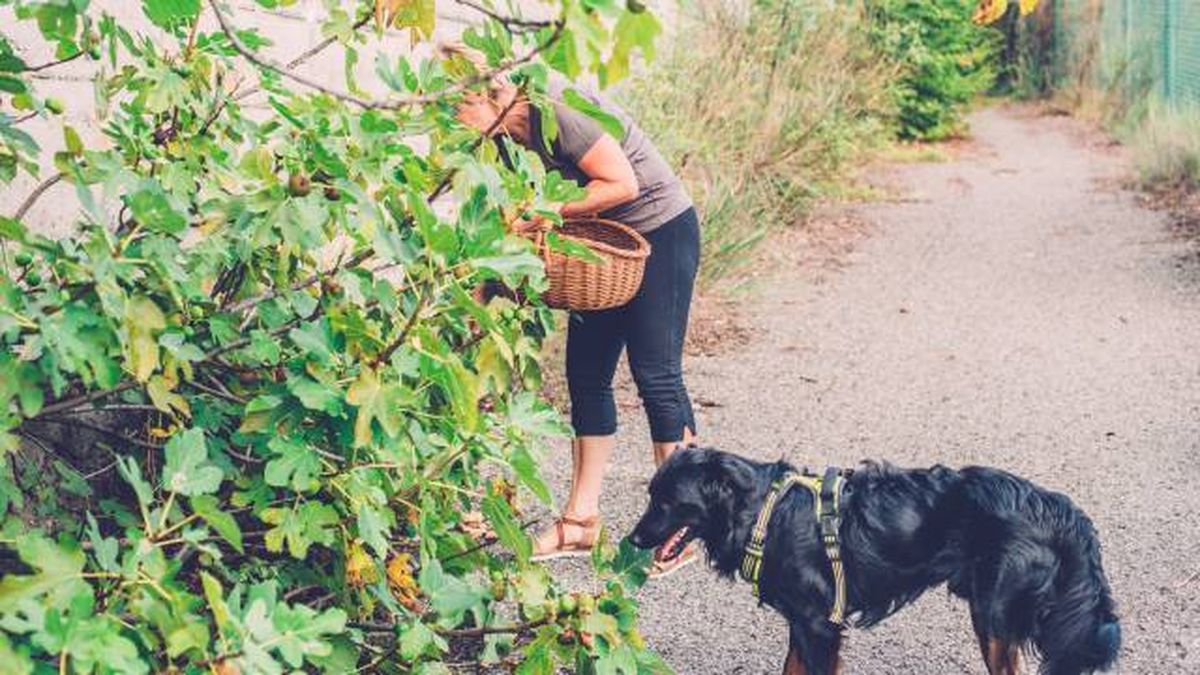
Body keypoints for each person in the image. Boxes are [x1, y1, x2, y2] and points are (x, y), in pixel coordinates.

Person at [445, 44, 701, 575]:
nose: (449, 115)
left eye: (455, 102)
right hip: (601, 245)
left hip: (662, 229)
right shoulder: (503, 139)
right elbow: (509, 218)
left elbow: (622, 183)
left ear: (490, 92)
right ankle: (581, 522)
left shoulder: (555, 107)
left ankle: (684, 523)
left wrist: (546, 213)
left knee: (655, 373)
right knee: (585, 375)